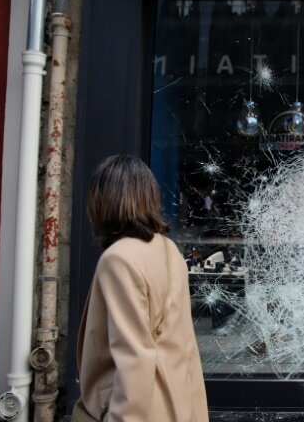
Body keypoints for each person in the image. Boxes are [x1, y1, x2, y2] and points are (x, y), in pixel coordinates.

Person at [76, 155, 208, 421]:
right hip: (179, 405)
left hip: (142, 410)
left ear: (103, 201)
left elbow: (133, 356)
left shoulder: (118, 259)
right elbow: (185, 344)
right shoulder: (169, 250)